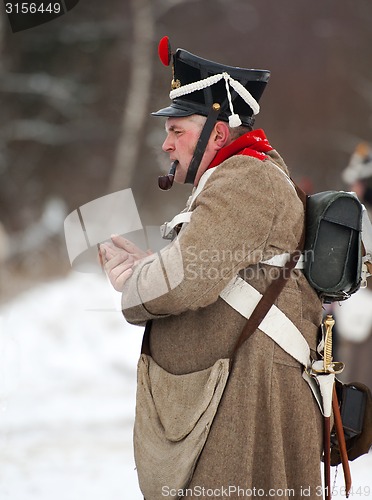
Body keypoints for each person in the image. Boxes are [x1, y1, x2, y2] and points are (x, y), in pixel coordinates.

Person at [101, 37, 324, 499]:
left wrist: (134, 283)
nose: (166, 143)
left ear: (217, 134)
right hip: (238, 393)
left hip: (248, 399)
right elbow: (207, 268)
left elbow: (183, 284)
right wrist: (155, 267)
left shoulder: (243, 178)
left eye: (177, 130)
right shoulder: (239, 176)